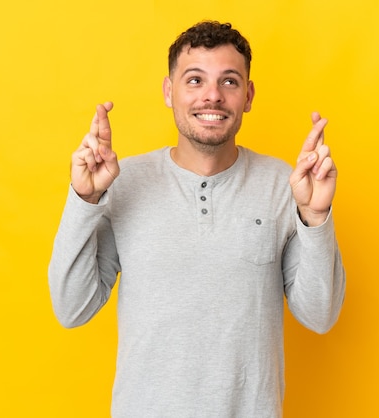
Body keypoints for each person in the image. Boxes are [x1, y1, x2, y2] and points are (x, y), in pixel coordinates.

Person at [48, 20, 346, 418]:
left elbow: (320, 316)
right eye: (194, 80)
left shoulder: (283, 185)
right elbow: (72, 308)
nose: (212, 96)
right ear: (169, 92)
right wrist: (85, 199)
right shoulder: (123, 182)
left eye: (229, 81)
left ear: (248, 95)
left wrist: (315, 215)